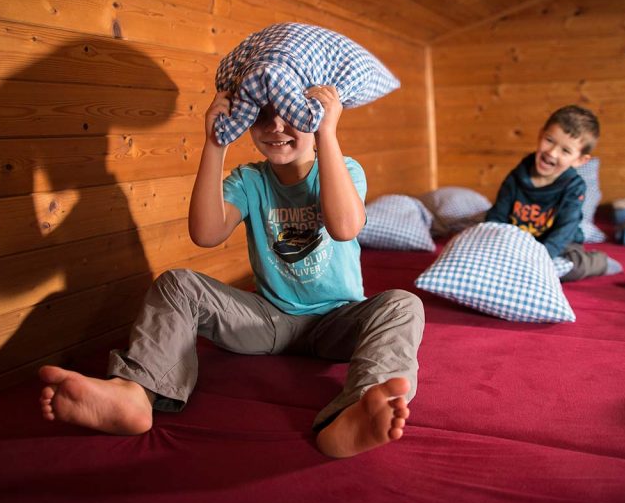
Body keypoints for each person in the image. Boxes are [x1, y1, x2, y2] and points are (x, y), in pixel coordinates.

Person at [38, 85, 423, 458]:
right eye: (261, 115)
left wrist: (327, 133)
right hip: (269, 319)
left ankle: (355, 413)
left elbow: (344, 227)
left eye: (290, 114)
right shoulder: (250, 180)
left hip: (339, 320)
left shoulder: (343, 167)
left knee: (403, 304)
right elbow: (205, 233)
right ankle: (135, 393)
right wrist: (214, 144)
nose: (275, 127)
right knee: (177, 284)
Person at [484, 105, 621, 282]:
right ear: (541, 134)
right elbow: (497, 216)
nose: (552, 152)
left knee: (571, 267)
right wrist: (491, 245)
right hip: (520, 240)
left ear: (580, 160)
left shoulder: (574, 187)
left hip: (559, 243)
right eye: (549, 140)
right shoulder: (517, 176)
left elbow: (565, 229)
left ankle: (598, 262)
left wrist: (539, 260)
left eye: (565, 150)